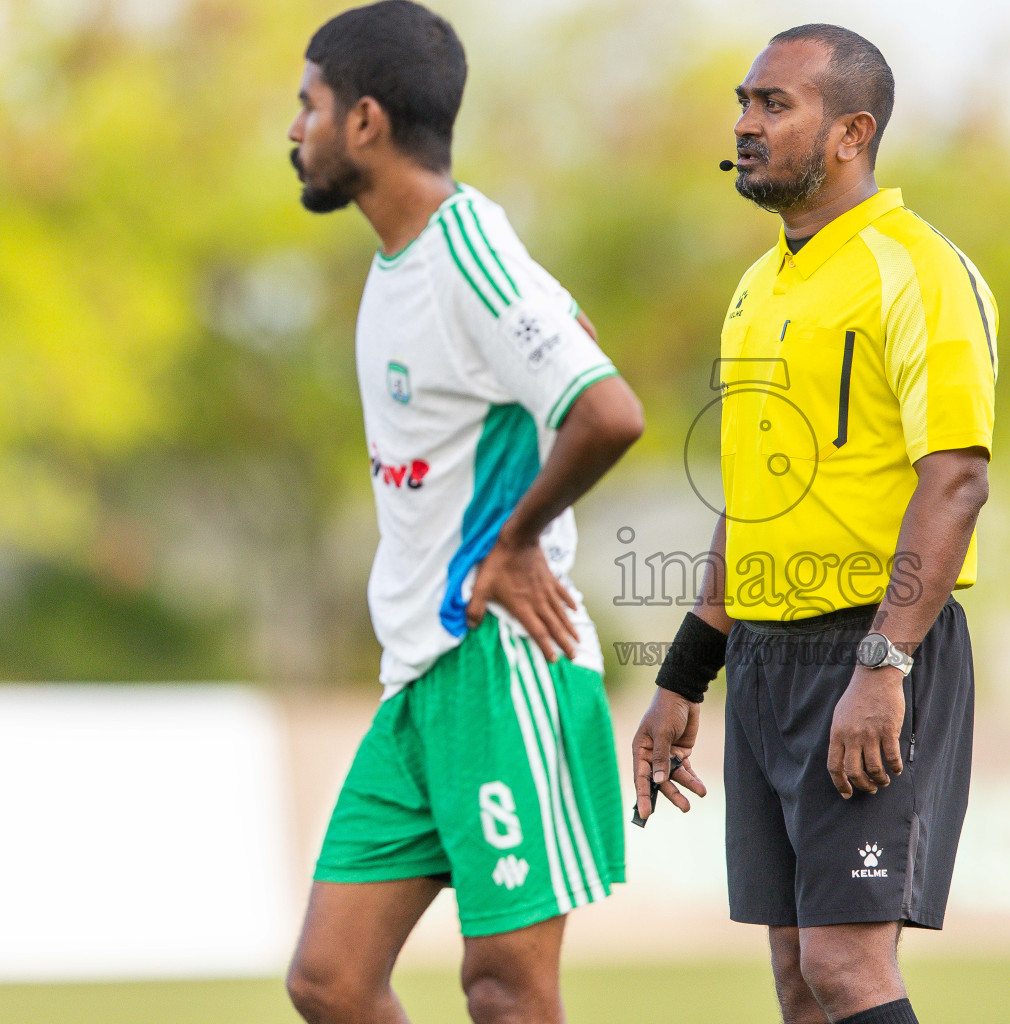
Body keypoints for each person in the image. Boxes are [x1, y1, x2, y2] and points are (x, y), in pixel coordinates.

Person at [282, 3, 643, 1022]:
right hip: (419, 680)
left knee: (506, 992)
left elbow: (607, 409)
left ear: (363, 123)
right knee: (330, 979)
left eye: (306, 106)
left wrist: (519, 537)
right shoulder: (414, 260)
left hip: (501, 666)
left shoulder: (464, 244)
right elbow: (568, 331)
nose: (293, 132)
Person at [631, 24, 996, 1024]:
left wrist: (884, 665)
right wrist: (681, 679)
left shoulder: (915, 268)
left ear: (852, 131)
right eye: (744, 103)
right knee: (799, 986)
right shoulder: (760, 287)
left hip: (868, 651)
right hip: (762, 666)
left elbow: (957, 478)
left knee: (847, 969)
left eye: (773, 105)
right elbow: (750, 508)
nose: (747, 125)